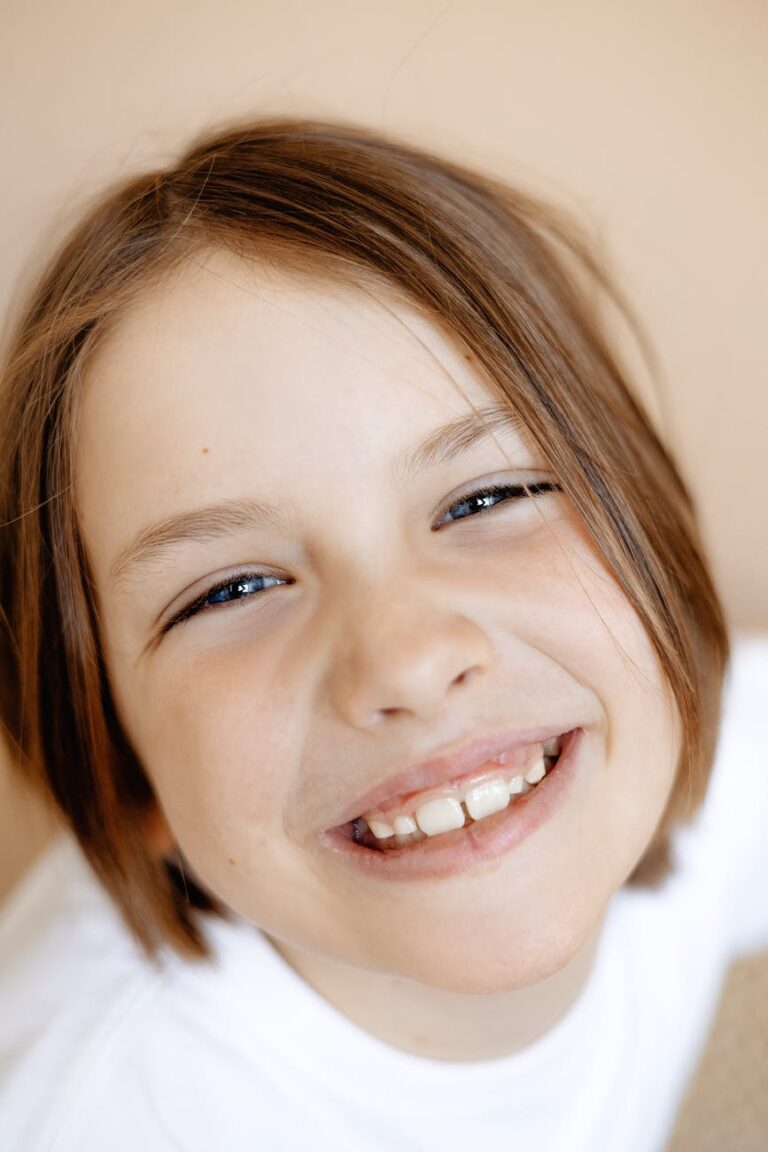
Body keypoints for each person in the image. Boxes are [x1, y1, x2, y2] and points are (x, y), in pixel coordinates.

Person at [0, 117, 764, 1152]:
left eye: (488, 496)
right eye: (232, 589)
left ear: (655, 554)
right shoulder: (84, 1111)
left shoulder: (692, 762)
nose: (406, 657)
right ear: (118, 766)